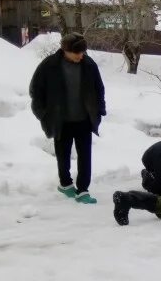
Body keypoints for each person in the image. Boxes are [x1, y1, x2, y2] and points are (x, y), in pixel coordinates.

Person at [29, 32, 106, 205]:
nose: (80, 55)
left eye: (83, 52)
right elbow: (36, 91)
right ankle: (65, 184)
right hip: (60, 121)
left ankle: (83, 189)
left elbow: (99, 89)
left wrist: (100, 111)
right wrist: (43, 114)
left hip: (84, 120)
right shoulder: (49, 65)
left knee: (85, 156)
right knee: (62, 156)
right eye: (77, 52)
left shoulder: (89, 64)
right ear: (66, 50)